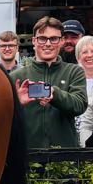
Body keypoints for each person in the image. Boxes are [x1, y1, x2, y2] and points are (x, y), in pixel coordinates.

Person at [10, 17, 88, 150]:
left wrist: (55, 94)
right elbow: (0, 118)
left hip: (64, 155)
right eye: (42, 38)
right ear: (34, 41)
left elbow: (80, 105)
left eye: (53, 39)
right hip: (27, 154)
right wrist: (16, 104)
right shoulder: (16, 76)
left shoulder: (74, 71)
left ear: (61, 41)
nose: (47, 44)